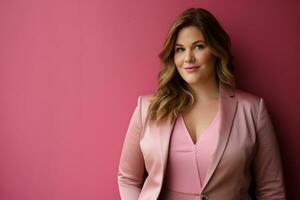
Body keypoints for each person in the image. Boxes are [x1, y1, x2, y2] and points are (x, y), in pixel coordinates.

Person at [117, 7, 286, 200]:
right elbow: (128, 178)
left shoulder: (253, 110)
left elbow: (271, 189)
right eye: (180, 49)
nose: (188, 58)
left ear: (216, 50)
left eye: (198, 46)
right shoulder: (146, 109)